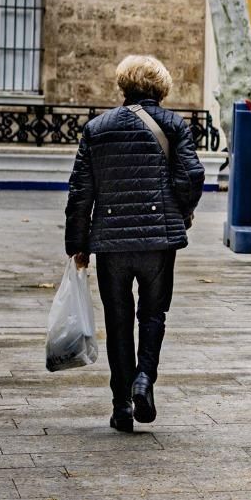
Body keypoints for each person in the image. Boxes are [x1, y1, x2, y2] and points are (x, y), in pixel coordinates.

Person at [65, 55, 205, 433]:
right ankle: (145, 379)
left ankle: (121, 405)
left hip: (111, 241)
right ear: (161, 88)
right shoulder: (174, 125)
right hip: (159, 240)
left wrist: (77, 242)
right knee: (153, 315)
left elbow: (81, 190)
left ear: (123, 86)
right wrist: (183, 211)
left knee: (118, 320)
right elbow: (191, 176)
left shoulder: (97, 128)